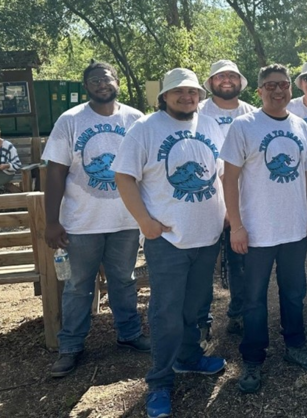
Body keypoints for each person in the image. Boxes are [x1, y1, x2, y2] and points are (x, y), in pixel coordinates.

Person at [113, 68, 227, 418]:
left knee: (194, 308)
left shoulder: (209, 125)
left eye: (192, 92)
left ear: (200, 96)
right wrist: (144, 221)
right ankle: (159, 381)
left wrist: (226, 217)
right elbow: (123, 176)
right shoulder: (145, 129)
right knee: (166, 313)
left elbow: (220, 174)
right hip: (168, 239)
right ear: (164, 96)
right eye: (178, 92)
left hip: (207, 237)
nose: (186, 97)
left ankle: (188, 359)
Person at [221, 64, 307, 394]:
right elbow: (230, 178)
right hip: (255, 232)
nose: (277, 91)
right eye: (270, 86)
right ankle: (252, 358)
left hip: (294, 230)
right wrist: (236, 225)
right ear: (260, 91)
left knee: (294, 293)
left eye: (282, 85)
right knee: (253, 299)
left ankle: (295, 346)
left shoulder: (299, 125)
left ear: (289, 89)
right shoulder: (244, 126)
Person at [42, 61, 149, 378]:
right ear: (86, 86)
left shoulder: (136, 119)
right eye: (93, 80)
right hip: (81, 223)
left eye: (106, 78)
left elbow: (149, 169)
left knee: (125, 280)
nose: (101, 84)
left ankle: (129, 334)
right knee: (77, 286)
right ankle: (70, 347)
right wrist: (51, 221)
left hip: (126, 221)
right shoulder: (70, 120)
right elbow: (55, 171)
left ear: (117, 81)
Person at [196, 60, 257, 342]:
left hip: (242, 199)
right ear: (210, 82)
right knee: (202, 265)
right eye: (221, 76)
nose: (227, 80)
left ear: (240, 81)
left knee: (239, 262)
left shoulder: (252, 114)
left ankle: (239, 313)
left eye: (232, 75)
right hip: (203, 200)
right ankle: (200, 319)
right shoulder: (197, 112)